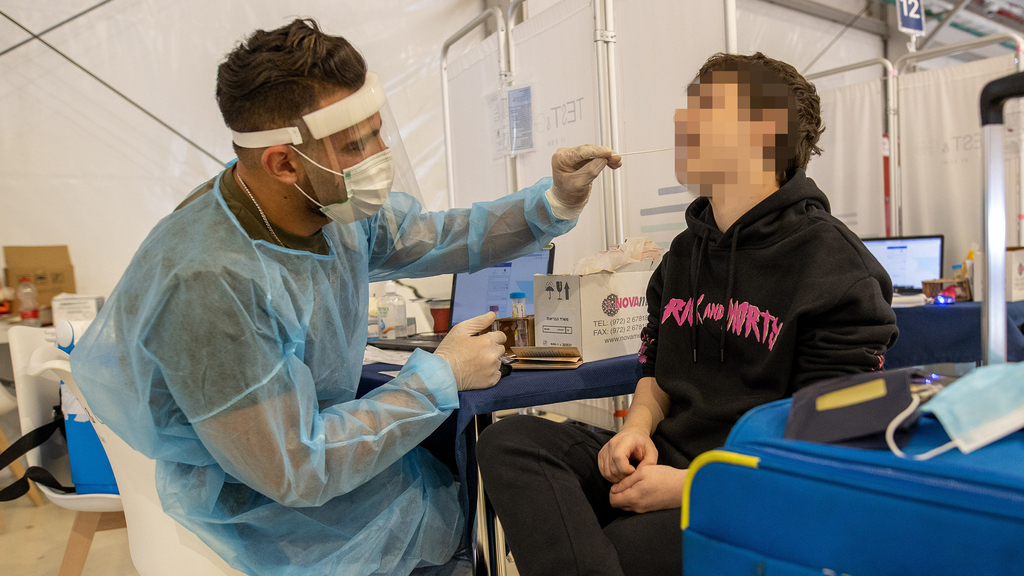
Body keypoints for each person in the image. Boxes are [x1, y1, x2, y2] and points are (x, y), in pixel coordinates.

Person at [71, 19, 620, 576]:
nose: (381, 154)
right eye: (357, 145)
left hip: (341, 474)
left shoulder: (324, 205)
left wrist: (552, 201)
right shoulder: (211, 283)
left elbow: (432, 235)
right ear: (284, 162)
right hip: (274, 519)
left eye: (381, 132)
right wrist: (441, 375)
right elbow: (294, 468)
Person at [476, 52, 899, 576]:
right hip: (666, 459)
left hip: (760, 486)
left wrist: (693, 485)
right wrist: (637, 428)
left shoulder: (834, 268)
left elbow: (827, 449)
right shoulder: (683, 253)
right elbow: (656, 368)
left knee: (615, 548)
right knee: (510, 441)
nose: (681, 120)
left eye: (704, 107)